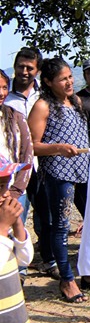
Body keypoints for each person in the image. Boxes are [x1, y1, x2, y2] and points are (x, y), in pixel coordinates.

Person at [27, 57, 90, 302]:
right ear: (47, 82)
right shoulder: (43, 106)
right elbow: (31, 146)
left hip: (83, 170)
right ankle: (67, 280)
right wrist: (57, 148)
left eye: (69, 76)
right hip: (58, 174)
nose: (69, 82)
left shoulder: (75, 101)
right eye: (62, 79)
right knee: (61, 227)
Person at [3, 48, 54, 280]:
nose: (24, 71)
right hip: (11, 174)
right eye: (20, 66)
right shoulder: (6, 94)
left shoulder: (44, 96)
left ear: (38, 71)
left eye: (29, 68)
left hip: (39, 166)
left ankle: (49, 260)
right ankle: (17, 269)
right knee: (15, 216)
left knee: (46, 215)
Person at [0, 70, 34, 284]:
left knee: (16, 237)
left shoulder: (14, 117)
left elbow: (26, 153)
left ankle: (14, 278)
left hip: (10, 188)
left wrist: (13, 191)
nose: (1, 92)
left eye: (4, 87)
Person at [0, 177, 31, 323]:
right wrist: (2, 229)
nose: (5, 195)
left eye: (5, 186)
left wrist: (17, 225)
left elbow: (24, 259)